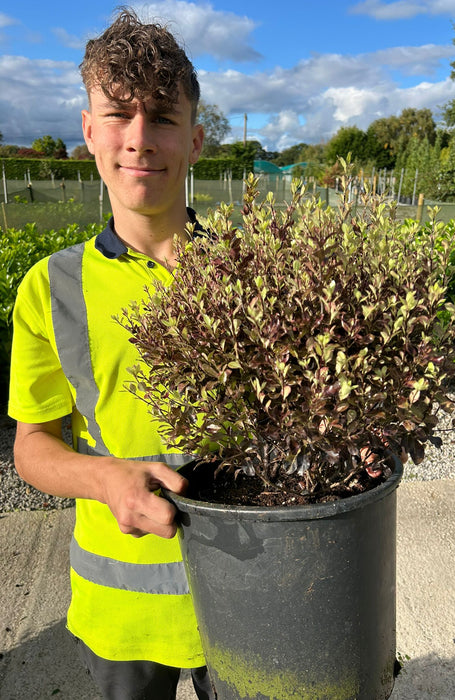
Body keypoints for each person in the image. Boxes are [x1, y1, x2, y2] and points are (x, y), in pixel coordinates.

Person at [8, 8, 215, 700]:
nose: (139, 138)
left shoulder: (258, 273)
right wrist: (106, 481)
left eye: (161, 116)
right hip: (119, 607)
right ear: (89, 131)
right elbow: (33, 446)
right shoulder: (52, 287)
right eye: (118, 114)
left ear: (195, 138)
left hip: (252, 591)